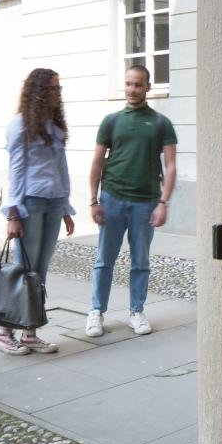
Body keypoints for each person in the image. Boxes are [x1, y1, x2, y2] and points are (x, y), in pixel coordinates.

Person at [85, 64, 177, 338]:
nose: (132, 90)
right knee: (104, 260)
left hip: (145, 203)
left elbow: (171, 166)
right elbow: (97, 162)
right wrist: (93, 200)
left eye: (138, 84)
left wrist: (163, 203)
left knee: (141, 261)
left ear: (148, 87)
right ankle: (96, 312)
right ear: (123, 86)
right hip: (112, 199)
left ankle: (136, 312)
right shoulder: (111, 121)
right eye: (128, 84)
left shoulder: (161, 123)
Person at [0, 67, 75, 355]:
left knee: (39, 271)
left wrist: (66, 206)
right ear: (39, 92)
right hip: (30, 203)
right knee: (23, 270)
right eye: (54, 88)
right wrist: (13, 214)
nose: (58, 94)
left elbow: (61, 169)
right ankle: (4, 330)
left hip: (53, 203)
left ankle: (30, 332)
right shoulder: (20, 125)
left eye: (59, 88)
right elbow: (16, 171)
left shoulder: (53, 126)